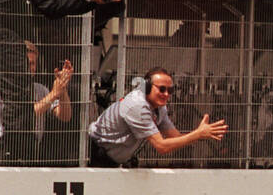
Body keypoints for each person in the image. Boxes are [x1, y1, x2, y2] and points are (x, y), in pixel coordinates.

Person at [88, 67, 228, 167]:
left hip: (113, 159)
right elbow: (161, 146)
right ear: (147, 87)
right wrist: (197, 135)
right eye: (161, 89)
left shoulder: (159, 106)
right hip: (96, 155)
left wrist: (200, 134)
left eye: (170, 90)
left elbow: (174, 137)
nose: (166, 94)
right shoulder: (138, 105)